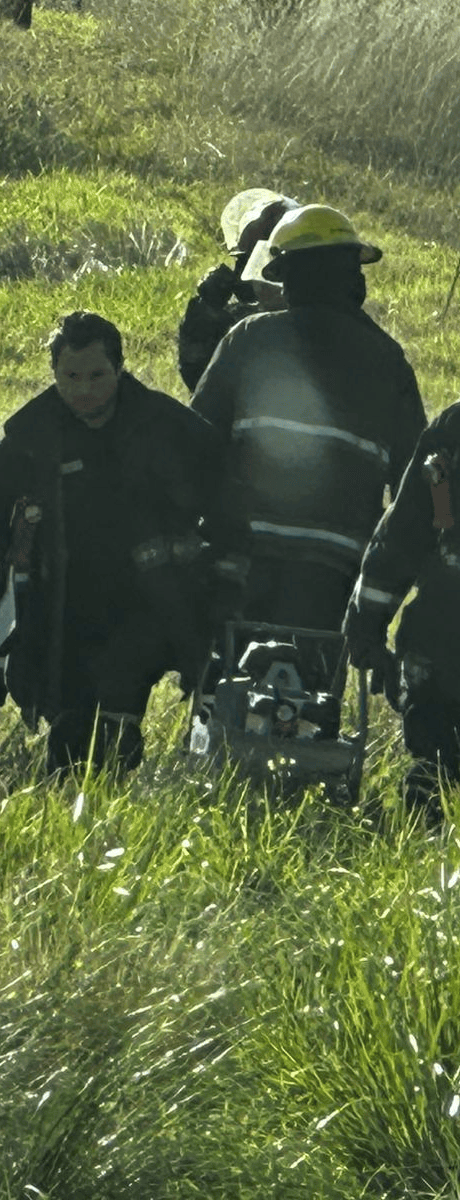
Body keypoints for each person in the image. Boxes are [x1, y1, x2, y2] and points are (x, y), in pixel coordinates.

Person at [0, 311, 222, 774]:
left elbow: (228, 500)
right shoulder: (33, 433)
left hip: (152, 601)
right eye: (70, 377)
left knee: (114, 727)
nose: (83, 390)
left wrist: (221, 572)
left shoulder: (170, 428)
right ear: (54, 374)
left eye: (96, 375)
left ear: (121, 368)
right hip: (62, 604)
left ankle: (119, 788)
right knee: (67, 743)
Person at [190, 203, 426, 653]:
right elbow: (411, 484)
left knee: (228, 696)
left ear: (287, 275)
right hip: (334, 574)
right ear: (352, 277)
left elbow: (195, 445)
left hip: (241, 563)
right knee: (310, 707)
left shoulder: (250, 339)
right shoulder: (387, 361)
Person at [343, 402, 460, 821]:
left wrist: (367, 624)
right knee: (434, 763)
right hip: (446, 639)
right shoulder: (452, 431)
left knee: (434, 767)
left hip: (444, 639)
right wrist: (367, 625)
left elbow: (403, 533)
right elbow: (408, 529)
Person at [177, 187, 298, 392]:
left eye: (257, 263)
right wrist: (206, 311)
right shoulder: (239, 322)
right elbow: (197, 378)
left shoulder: (318, 319)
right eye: (244, 262)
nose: (247, 275)